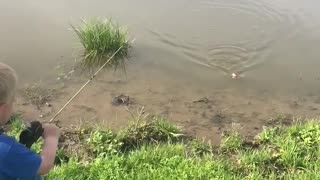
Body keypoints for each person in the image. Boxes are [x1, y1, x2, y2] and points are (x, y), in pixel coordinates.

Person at [0, 62, 60, 179]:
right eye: (12, 101)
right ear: (2, 109)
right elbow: (44, 165)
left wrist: (23, 146)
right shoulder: (7, 151)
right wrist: (52, 137)